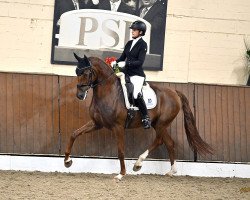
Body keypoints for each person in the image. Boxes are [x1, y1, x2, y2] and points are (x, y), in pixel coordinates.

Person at [111, 21, 151, 129]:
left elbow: (140, 62)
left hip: (137, 75)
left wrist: (126, 63)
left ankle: (145, 117)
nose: (132, 31)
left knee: (135, 94)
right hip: (126, 72)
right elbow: (122, 57)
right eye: (132, 30)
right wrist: (115, 62)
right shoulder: (129, 43)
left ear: (141, 32)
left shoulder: (143, 45)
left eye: (134, 30)